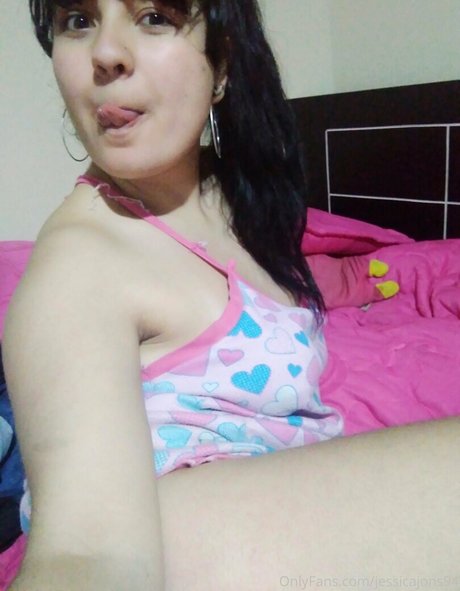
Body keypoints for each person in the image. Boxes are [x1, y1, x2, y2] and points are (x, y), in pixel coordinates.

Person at [3, 1, 459, 590]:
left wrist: (359, 281)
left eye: (154, 16)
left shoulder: (230, 198)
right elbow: (86, 555)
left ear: (220, 66)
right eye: (78, 20)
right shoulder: (78, 265)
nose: (106, 53)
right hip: (179, 541)